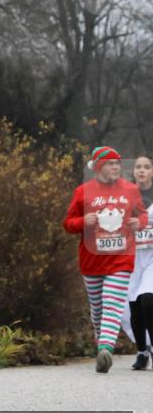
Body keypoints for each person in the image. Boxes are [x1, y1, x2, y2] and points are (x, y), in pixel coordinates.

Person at [62, 147, 147, 373]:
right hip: (92, 260)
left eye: (118, 163)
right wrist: (83, 222)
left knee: (113, 302)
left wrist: (139, 223)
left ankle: (105, 350)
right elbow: (68, 223)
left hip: (121, 258)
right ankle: (102, 341)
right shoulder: (83, 191)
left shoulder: (130, 189)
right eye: (110, 163)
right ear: (99, 166)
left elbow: (142, 214)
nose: (116, 167)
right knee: (98, 308)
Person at [120, 154, 153, 370]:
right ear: (133, 172)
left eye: (147, 167)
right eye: (138, 167)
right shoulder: (125, 196)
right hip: (131, 256)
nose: (142, 170)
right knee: (133, 306)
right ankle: (142, 352)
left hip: (152, 256)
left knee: (148, 300)